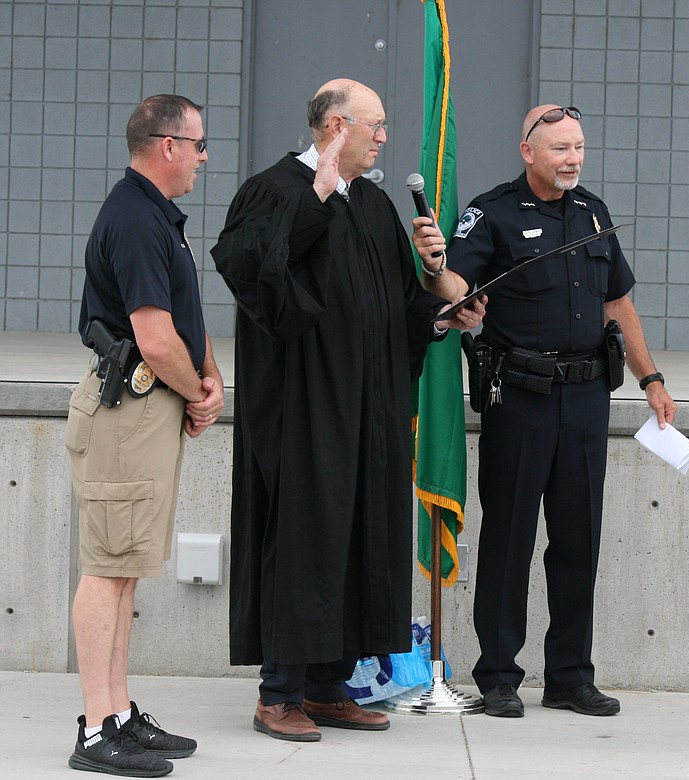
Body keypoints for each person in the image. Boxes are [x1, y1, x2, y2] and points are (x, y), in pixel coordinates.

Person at [210, 78, 484, 742]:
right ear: (336, 127)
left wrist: (444, 314)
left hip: (370, 410)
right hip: (303, 409)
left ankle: (330, 686)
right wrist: (318, 197)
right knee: (304, 534)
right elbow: (257, 277)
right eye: (375, 125)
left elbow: (392, 305)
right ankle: (280, 691)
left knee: (357, 533)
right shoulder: (273, 191)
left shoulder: (372, 204)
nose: (384, 136)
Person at [412, 104, 677, 718]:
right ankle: (500, 676)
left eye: (578, 147)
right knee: (509, 539)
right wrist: (436, 270)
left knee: (578, 539)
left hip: (587, 396)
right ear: (528, 151)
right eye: (560, 148)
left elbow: (618, 303)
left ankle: (570, 676)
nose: (573, 159)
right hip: (520, 398)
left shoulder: (593, 213)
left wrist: (652, 378)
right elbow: (452, 284)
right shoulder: (493, 211)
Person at [65, 94, 223, 777]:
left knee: (125, 567)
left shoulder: (158, 215)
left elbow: (186, 319)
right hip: (126, 412)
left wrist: (207, 382)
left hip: (149, 412)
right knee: (107, 568)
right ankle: (97, 728)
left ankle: (120, 712)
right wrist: (198, 393)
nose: (203, 155)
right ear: (167, 146)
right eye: (197, 143)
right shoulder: (134, 218)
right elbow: (155, 339)